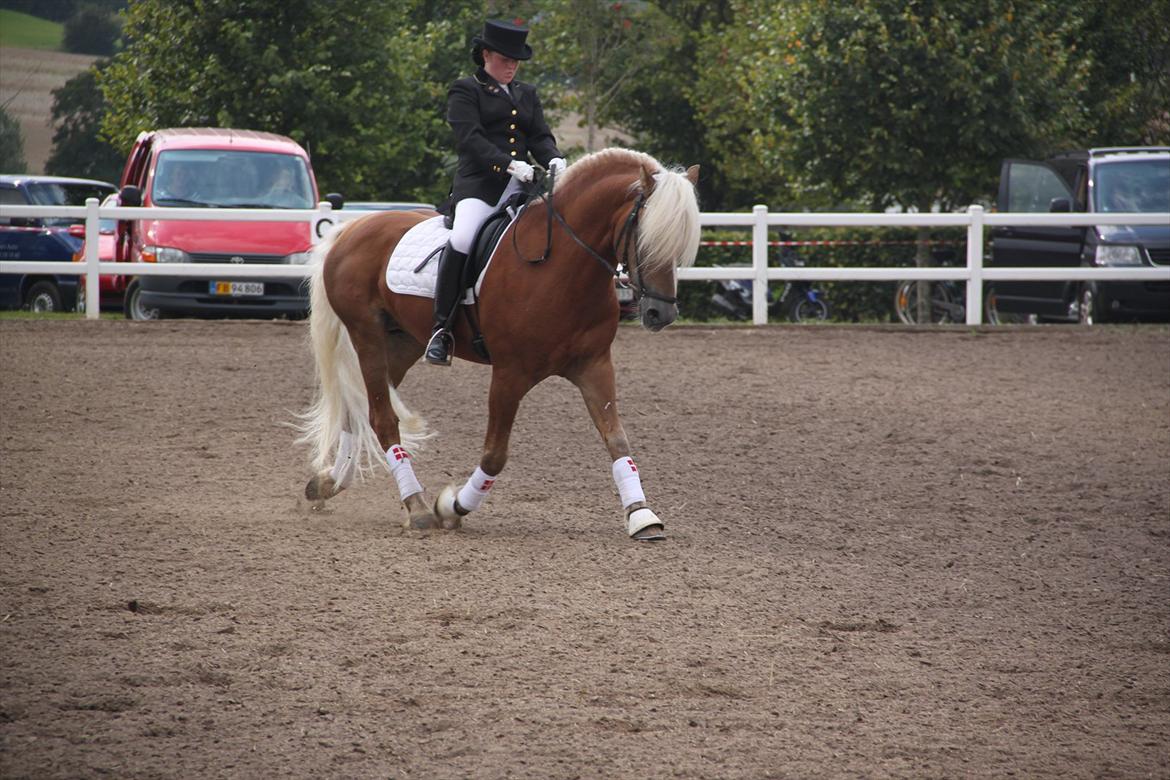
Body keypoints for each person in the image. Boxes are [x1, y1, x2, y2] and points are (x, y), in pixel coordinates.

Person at [425, 19, 566, 366]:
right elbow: (469, 139)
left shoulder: (526, 93)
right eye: (505, 59)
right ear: (486, 54)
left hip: (524, 188)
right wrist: (508, 164)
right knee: (463, 238)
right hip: (480, 187)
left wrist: (555, 159)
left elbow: (539, 136)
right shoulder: (465, 90)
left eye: (516, 60)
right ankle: (441, 330)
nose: (512, 65)